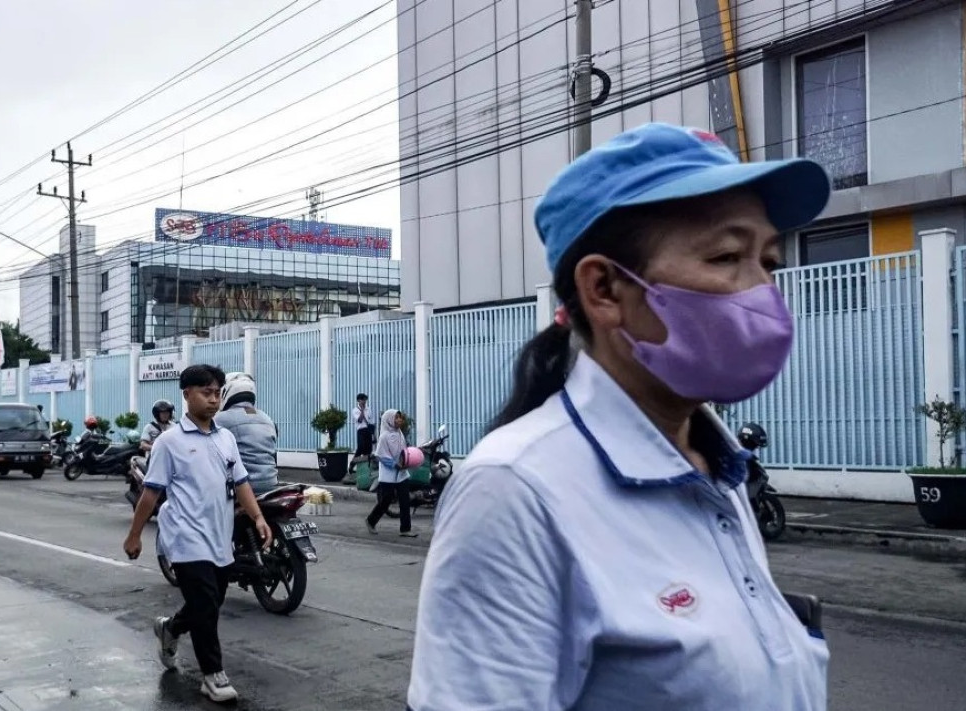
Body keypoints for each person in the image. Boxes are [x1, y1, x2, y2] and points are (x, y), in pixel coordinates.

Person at [406, 123, 832, 711]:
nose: (762, 292)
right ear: (604, 288)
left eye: (769, 260)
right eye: (728, 257)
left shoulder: (718, 471)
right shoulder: (515, 492)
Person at [123, 365, 272, 704]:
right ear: (187, 394)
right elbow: (150, 492)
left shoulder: (226, 438)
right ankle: (213, 676)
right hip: (185, 538)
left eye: (218, 391)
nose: (213, 398)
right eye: (206, 391)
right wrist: (135, 536)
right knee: (206, 604)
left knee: (209, 602)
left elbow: (242, 482)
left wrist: (258, 517)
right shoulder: (169, 442)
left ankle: (171, 628)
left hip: (220, 537)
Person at [214, 372, 279, 495]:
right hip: (271, 484)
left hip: (243, 488)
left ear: (226, 392)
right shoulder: (266, 418)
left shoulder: (220, 419)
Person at [364, 409, 416, 537]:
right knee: (386, 500)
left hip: (402, 473)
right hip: (388, 475)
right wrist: (394, 464)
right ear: (389, 420)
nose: (399, 420)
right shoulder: (384, 436)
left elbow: (403, 450)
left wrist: (407, 460)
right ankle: (371, 520)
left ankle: (405, 529)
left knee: (405, 500)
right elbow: (381, 456)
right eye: (396, 418)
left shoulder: (399, 434)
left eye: (400, 417)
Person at [348, 393, 377, 478]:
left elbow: (371, 422)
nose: (364, 401)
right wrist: (362, 410)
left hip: (368, 431)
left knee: (368, 450)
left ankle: (366, 469)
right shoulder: (355, 410)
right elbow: (360, 420)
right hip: (361, 430)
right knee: (360, 448)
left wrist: (374, 435)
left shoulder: (368, 409)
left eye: (365, 399)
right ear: (358, 400)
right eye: (362, 399)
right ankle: (352, 464)